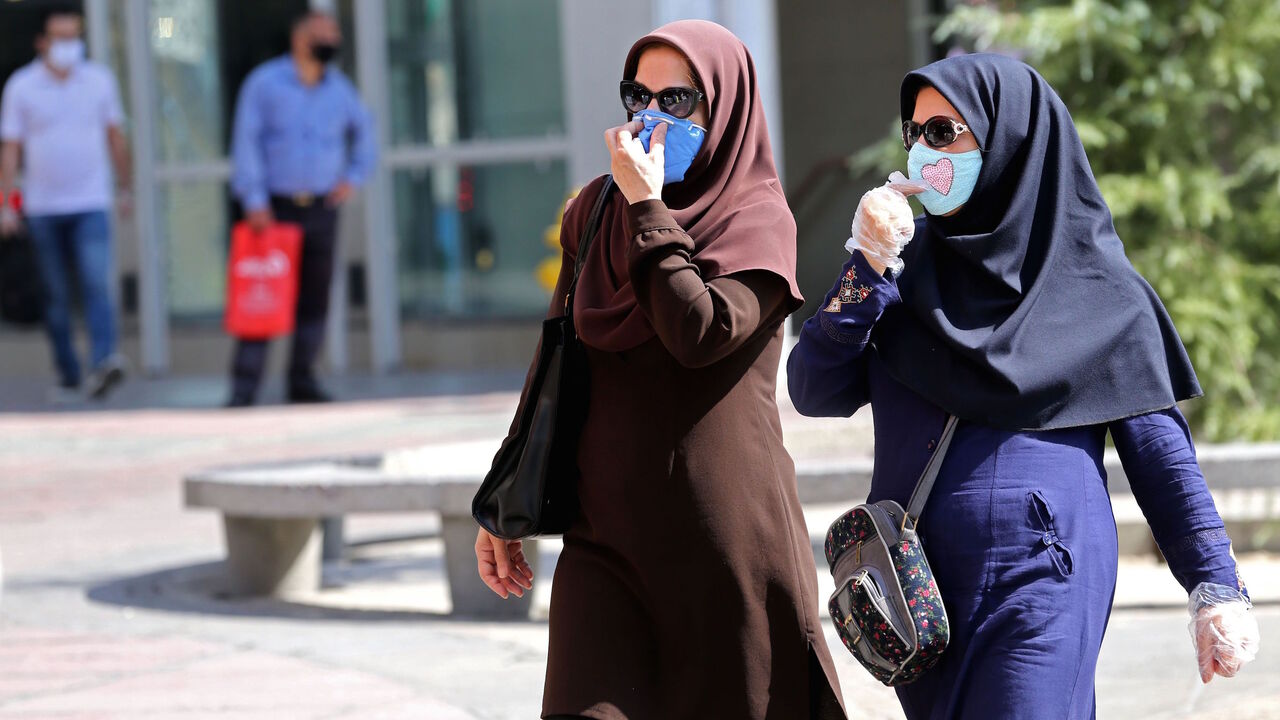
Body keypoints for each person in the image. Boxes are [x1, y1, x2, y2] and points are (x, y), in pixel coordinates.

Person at [788, 53, 1259, 719]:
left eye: (943, 133)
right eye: (913, 134)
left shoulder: (1100, 289)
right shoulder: (902, 270)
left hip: (1046, 575)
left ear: (1009, 138)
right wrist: (865, 269)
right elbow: (812, 388)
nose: (923, 153)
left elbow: (1159, 449)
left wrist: (1214, 582)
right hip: (919, 593)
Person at [474, 20, 845, 720]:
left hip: (722, 547)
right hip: (604, 543)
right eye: (637, 95)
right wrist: (502, 502)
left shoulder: (758, 221)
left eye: (677, 101)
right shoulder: (594, 210)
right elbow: (556, 356)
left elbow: (697, 331)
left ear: (724, 107)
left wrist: (648, 207)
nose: (650, 117)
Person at [226, 10, 375, 407]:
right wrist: (254, 199)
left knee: (315, 297)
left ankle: (302, 380)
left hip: (322, 208)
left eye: (334, 33)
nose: (330, 40)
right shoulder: (264, 84)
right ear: (300, 38)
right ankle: (244, 387)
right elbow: (246, 143)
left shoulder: (339, 89)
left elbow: (365, 134)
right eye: (322, 33)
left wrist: (352, 178)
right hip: (273, 209)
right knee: (262, 292)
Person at [0, 5, 131, 402]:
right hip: (42, 208)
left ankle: (103, 362)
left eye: (75, 36)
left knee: (96, 285)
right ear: (42, 42)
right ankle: (70, 375)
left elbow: (115, 137)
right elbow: (11, 150)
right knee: (55, 296)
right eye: (61, 37)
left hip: (91, 201)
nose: (69, 45)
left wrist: (125, 187)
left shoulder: (99, 80)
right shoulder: (21, 87)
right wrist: (7, 203)